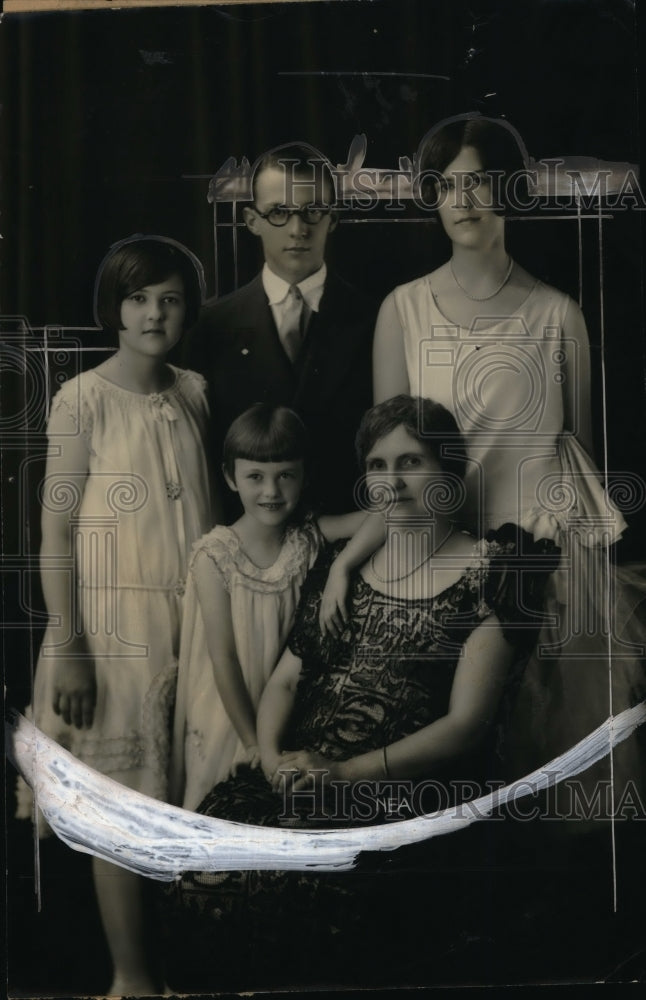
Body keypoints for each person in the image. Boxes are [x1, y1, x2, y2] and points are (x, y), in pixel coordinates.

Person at [164, 396, 557, 990]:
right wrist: (272, 764)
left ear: (450, 471)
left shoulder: (494, 570)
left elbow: (467, 724)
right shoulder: (337, 569)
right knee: (204, 866)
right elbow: (286, 680)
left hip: (403, 791)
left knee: (319, 889)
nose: (391, 481)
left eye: (411, 463)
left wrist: (343, 774)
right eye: (377, 465)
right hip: (301, 778)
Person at [372, 114, 646, 818]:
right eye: (448, 184)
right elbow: (390, 467)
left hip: (548, 570)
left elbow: (578, 451)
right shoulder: (401, 309)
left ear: (510, 192)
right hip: (440, 565)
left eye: (482, 182)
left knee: (547, 775)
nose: (464, 199)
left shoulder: (559, 315)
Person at [19, 236, 215, 996]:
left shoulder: (195, 391)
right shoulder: (84, 400)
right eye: (138, 299)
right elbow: (56, 533)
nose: (154, 313)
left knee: (178, 803)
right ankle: (131, 981)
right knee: (119, 809)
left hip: (189, 628)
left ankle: (172, 974)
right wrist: (69, 648)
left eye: (168, 298)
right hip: (108, 634)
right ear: (115, 308)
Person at [170, 403, 372, 812]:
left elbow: (383, 516)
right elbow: (223, 661)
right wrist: (250, 742)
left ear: (305, 475)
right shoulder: (216, 555)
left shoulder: (307, 538)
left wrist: (343, 567)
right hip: (229, 712)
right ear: (230, 478)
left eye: (286, 476)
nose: (271, 491)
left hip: (285, 710)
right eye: (255, 477)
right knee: (218, 808)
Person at [184, 141, 377, 516]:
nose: (297, 229)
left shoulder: (376, 317)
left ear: (333, 218)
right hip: (246, 550)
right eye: (279, 212)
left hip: (349, 541)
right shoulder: (209, 327)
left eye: (313, 211)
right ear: (251, 220)